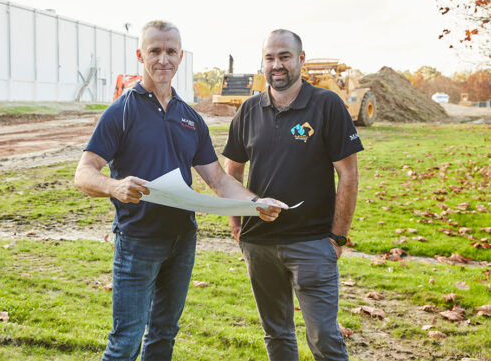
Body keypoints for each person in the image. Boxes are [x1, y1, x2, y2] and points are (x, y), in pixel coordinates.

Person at [74, 20, 286, 361]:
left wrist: (256, 202)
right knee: (125, 341)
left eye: (170, 51)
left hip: (182, 241)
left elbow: (218, 180)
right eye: (155, 51)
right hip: (137, 241)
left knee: (164, 335)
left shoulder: (191, 118)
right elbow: (84, 173)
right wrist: (114, 186)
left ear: (180, 56)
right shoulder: (121, 112)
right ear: (140, 54)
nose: (163, 59)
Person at [223, 29, 363, 361]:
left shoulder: (326, 105)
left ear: (301, 59)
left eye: (285, 56)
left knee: (324, 338)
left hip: (312, 243)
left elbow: (348, 173)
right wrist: (236, 225)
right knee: (276, 334)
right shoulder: (248, 111)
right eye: (270, 58)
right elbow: (232, 170)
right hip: (259, 243)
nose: (277, 65)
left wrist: (338, 236)